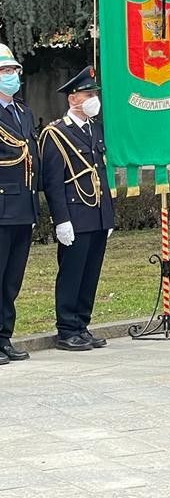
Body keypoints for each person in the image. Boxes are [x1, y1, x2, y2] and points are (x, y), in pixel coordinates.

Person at [39, 66, 115, 350]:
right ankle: (67, 327)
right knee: (72, 272)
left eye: (94, 93)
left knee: (91, 272)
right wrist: (61, 220)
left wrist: (108, 215)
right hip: (74, 213)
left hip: (96, 212)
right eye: (88, 93)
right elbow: (53, 181)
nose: (93, 98)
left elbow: (101, 173)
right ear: (73, 99)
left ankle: (82, 323)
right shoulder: (56, 133)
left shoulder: (95, 128)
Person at [0, 44, 40, 364]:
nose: (12, 76)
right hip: (1, 209)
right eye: (5, 71)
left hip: (22, 208)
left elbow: (31, 158)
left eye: (13, 70)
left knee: (12, 279)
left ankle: (4, 336)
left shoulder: (23, 111)